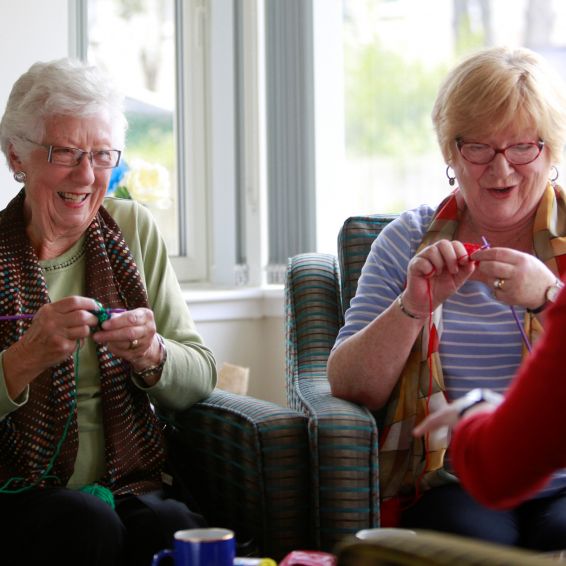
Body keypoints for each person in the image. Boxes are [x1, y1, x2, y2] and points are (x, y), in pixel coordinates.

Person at [327, 45, 566, 552]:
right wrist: (414, 305)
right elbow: (350, 385)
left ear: (552, 151)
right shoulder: (407, 240)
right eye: (478, 147)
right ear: (450, 154)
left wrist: (549, 296)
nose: (501, 170)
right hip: (458, 478)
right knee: (465, 543)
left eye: (524, 146)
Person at [0, 59, 217, 565]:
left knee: (178, 529)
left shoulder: (132, 230)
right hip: (17, 493)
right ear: (17, 155)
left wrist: (151, 353)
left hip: (132, 481)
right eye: (65, 153)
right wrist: (24, 358)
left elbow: (200, 372)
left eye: (101, 155)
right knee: (85, 524)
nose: (85, 174)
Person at [413, 277, 566, 511]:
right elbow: (350, 383)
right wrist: (412, 306)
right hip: (455, 488)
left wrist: (474, 410)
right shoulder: (404, 245)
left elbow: (499, 473)